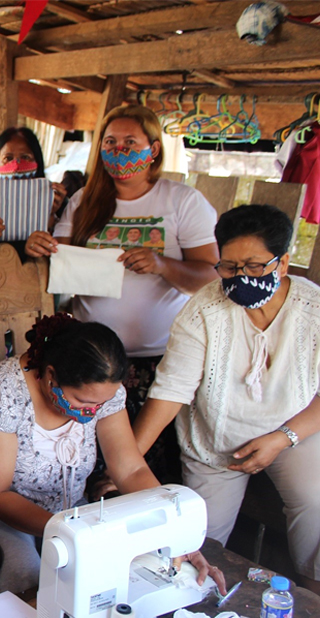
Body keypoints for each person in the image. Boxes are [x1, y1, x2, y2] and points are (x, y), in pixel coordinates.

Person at [0, 314, 225, 595]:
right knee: (29, 578)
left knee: (121, 569)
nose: (93, 411)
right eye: (82, 401)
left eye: (102, 403)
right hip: (0, 512)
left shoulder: (103, 391)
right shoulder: (1, 393)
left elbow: (130, 469)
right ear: (50, 375)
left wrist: (174, 533)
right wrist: (71, 533)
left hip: (71, 513)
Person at [26, 105, 219, 482]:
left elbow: (210, 277)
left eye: (131, 142)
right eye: (110, 142)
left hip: (158, 362)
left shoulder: (182, 201)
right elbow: (57, 261)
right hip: (90, 361)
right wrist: (39, 245)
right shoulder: (85, 201)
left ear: (155, 149)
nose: (119, 150)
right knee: (87, 459)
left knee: (148, 462)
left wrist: (163, 265)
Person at [135, 205, 320, 595]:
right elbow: (170, 393)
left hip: (293, 432)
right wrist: (127, 461)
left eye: (254, 267)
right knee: (199, 546)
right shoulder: (204, 310)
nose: (241, 278)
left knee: (315, 502)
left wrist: (282, 438)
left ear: (283, 262)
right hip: (215, 442)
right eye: (230, 267)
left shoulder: (313, 309)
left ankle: (312, 596)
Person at [0, 127, 67, 230]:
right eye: (8, 158)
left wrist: (51, 214)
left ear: (37, 162)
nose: (16, 166)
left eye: (25, 157)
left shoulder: (56, 199)